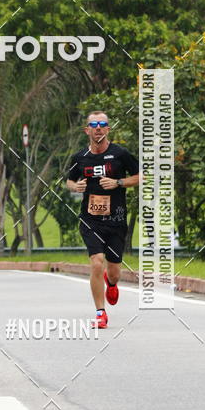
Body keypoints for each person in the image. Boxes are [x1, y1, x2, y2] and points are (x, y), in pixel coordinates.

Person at [66, 111, 140, 329]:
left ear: (108, 129)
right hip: (90, 219)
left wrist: (118, 183)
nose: (98, 128)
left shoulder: (120, 154)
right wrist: (76, 187)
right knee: (97, 262)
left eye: (102, 124)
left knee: (114, 271)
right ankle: (100, 313)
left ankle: (112, 283)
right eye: (94, 124)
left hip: (116, 219)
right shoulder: (80, 158)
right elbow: (69, 181)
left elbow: (139, 176)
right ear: (87, 130)